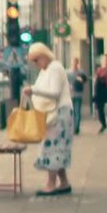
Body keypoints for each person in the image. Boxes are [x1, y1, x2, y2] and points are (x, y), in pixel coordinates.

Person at [22, 43, 75, 196]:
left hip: (59, 113)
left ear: (44, 55)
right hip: (53, 113)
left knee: (52, 147)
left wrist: (33, 90)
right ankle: (63, 182)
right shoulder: (47, 70)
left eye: (36, 60)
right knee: (57, 147)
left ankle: (51, 184)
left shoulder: (55, 68)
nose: (35, 64)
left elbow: (55, 92)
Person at [68, 58, 88, 134]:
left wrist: (81, 80)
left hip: (78, 94)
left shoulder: (81, 72)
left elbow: (85, 80)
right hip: (70, 95)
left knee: (77, 111)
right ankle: (72, 127)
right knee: (71, 112)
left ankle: (76, 128)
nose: (75, 64)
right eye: (73, 62)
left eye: (76, 62)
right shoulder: (68, 72)